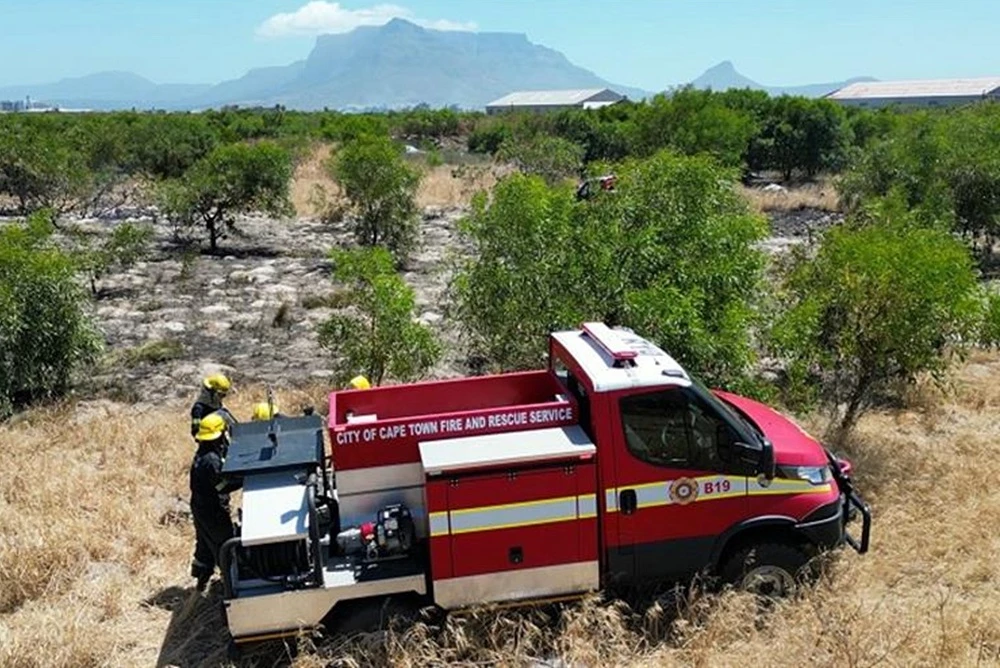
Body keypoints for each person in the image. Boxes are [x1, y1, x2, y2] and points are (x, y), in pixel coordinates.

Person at [189, 412, 242, 592]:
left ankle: (200, 583)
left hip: (200, 507)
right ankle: (231, 585)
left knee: (205, 546)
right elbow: (223, 486)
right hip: (211, 511)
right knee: (225, 544)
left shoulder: (204, 454)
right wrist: (245, 480)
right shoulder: (211, 460)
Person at [190, 373, 234, 438]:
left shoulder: (218, 405)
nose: (222, 397)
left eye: (224, 395)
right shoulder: (198, 409)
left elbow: (234, 426)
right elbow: (195, 432)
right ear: (211, 392)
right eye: (221, 395)